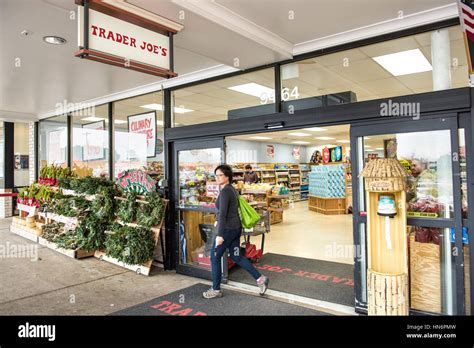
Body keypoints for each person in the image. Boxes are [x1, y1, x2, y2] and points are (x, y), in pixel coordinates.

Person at [203, 164, 269, 299]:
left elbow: (223, 214)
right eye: (216, 175)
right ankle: (260, 279)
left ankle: (215, 289)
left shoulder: (226, 191)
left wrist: (220, 235)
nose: (217, 177)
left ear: (227, 176)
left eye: (220, 175)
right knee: (236, 256)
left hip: (226, 231)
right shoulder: (231, 189)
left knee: (214, 257)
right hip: (235, 229)